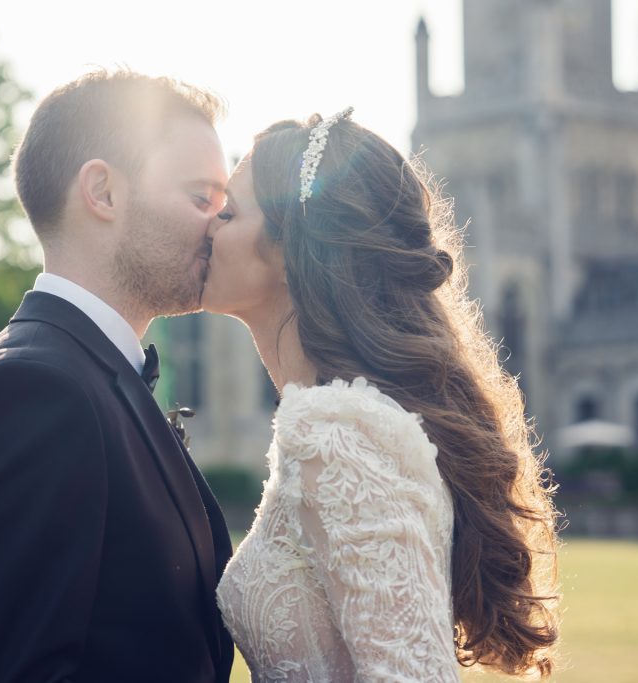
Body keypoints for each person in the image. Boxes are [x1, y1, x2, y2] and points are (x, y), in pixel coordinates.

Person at [205, 108, 561, 681]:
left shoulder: (340, 433)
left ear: (290, 249)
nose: (208, 227)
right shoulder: (329, 420)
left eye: (228, 212)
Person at [0, 70, 235, 682]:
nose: (220, 226)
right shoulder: (31, 394)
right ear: (103, 192)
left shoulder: (83, 374)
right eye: (202, 198)